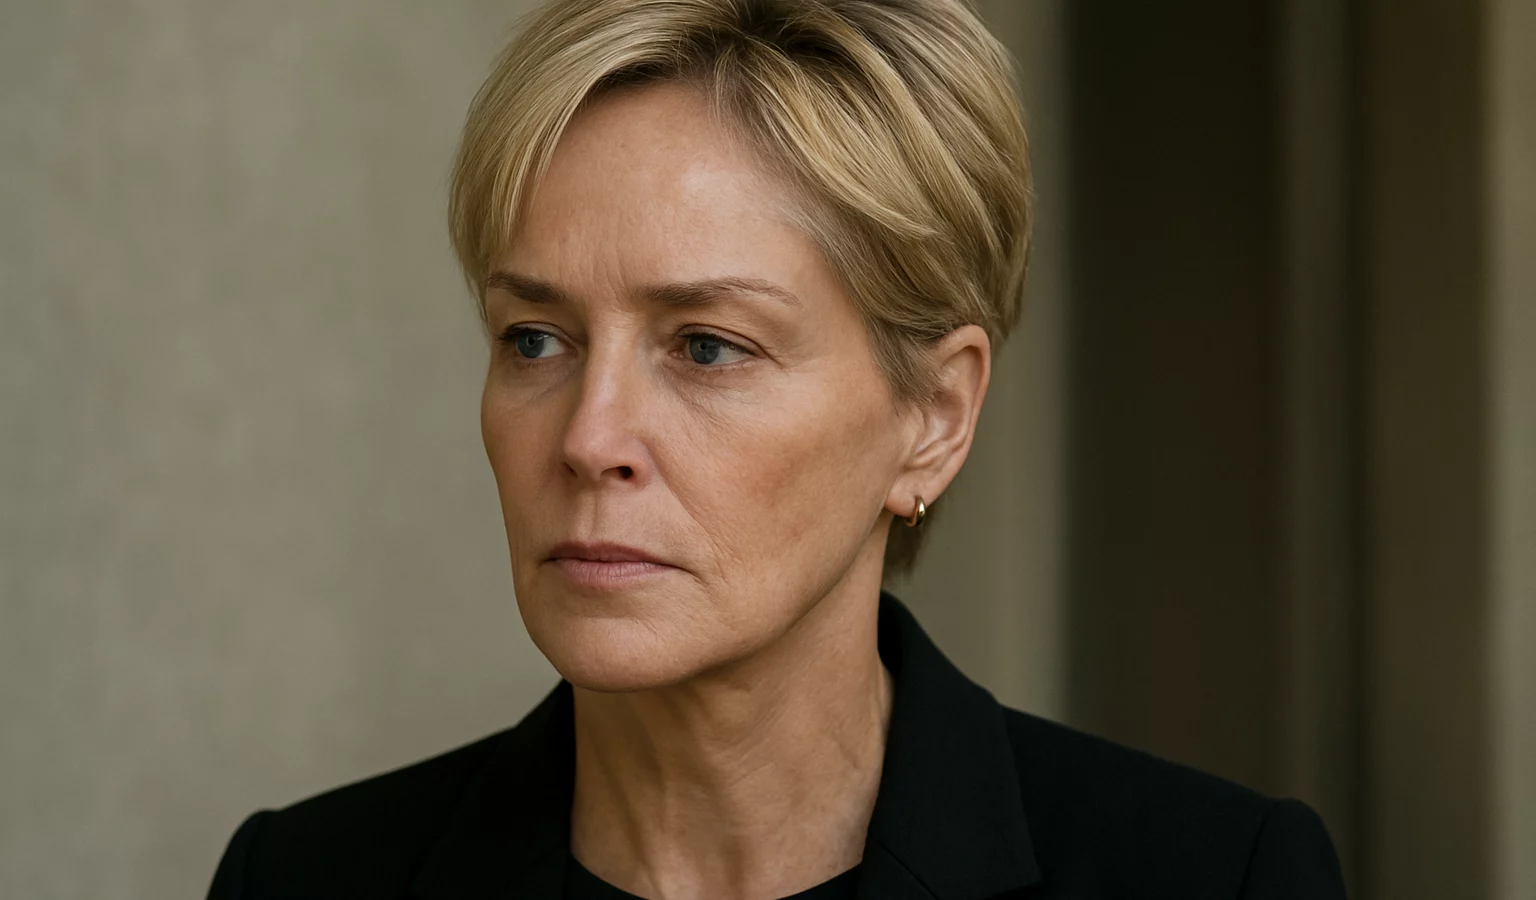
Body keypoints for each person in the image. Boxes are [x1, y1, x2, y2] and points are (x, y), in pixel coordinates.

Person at [207, 0, 1347, 897]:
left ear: (935, 416)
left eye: (707, 347)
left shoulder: (1211, 879)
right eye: (535, 338)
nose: (590, 438)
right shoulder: (303, 881)